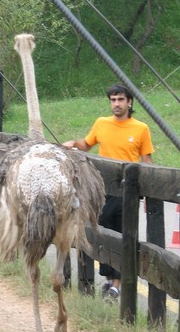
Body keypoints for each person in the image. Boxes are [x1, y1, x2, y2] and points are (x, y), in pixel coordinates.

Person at [63, 83, 154, 299]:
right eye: (113, 100)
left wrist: (149, 193)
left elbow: (148, 162)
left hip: (127, 193)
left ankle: (116, 285)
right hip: (102, 191)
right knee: (102, 233)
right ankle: (109, 280)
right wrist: (72, 144)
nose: (116, 104)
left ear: (129, 102)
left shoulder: (141, 128)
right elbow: (86, 144)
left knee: (124, 236)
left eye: (121, 99)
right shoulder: (101, 124)